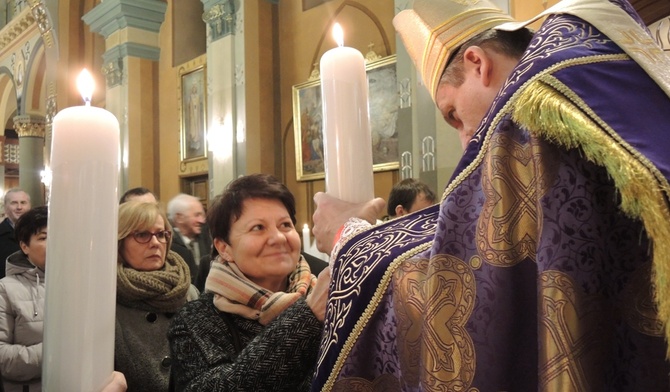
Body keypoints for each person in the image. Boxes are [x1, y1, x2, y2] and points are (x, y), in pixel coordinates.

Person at [310, 0, 670, 390]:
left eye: (453, 114)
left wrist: (349, 238)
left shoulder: (533, 108)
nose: (465, 139)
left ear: (477, 62)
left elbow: (468, 284)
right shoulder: (598, 70)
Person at [168, 173, 331, 391]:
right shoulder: (196, 319)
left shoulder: (325, 296)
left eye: (285, 225)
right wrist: (306, 317)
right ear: (224, 248)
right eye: (258, 228)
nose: (279, 238)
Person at [115, 201, 197, 391]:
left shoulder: (188, 290)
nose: (155, 243)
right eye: (142, 234)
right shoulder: (107, 297)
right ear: (120, 242)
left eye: (161, 234)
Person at [0, 206, 46, 391]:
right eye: (43, 237)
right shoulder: (6, 289)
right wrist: (55, 352)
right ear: (24, 246)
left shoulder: (78, 284)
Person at [166, 193, 212, 287]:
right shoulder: (167, 245)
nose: (202, 220)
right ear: (179, 218)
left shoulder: (209, 237)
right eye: (196, 215)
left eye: (202, 215)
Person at [0, 189, 31, 278]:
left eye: (23, 202)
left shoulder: (40, 233)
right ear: (5, 207)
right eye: (14, 203)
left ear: (29, 206)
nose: (19, 207)